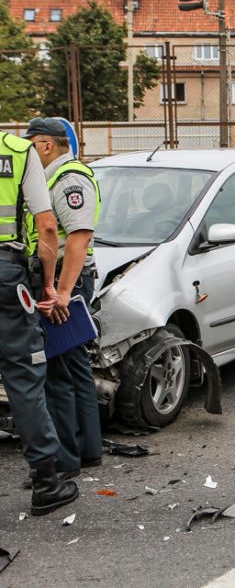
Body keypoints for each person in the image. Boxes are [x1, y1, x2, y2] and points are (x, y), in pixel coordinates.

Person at [0, 128, 80, 516]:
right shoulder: (17, 151)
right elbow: (48, 227)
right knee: (24, 377)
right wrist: (48, 285)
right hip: (5, 278)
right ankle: (47, 483)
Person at [25, 118, 103, 484]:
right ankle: (87, 451)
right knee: (74, 368)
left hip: (64, 283)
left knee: (56, 371)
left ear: (44, 146)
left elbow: (78, 238)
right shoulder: (56, 177)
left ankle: (63, 460)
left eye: (30, 146)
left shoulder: (68, 178)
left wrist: (64, 294)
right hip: (63, 283)